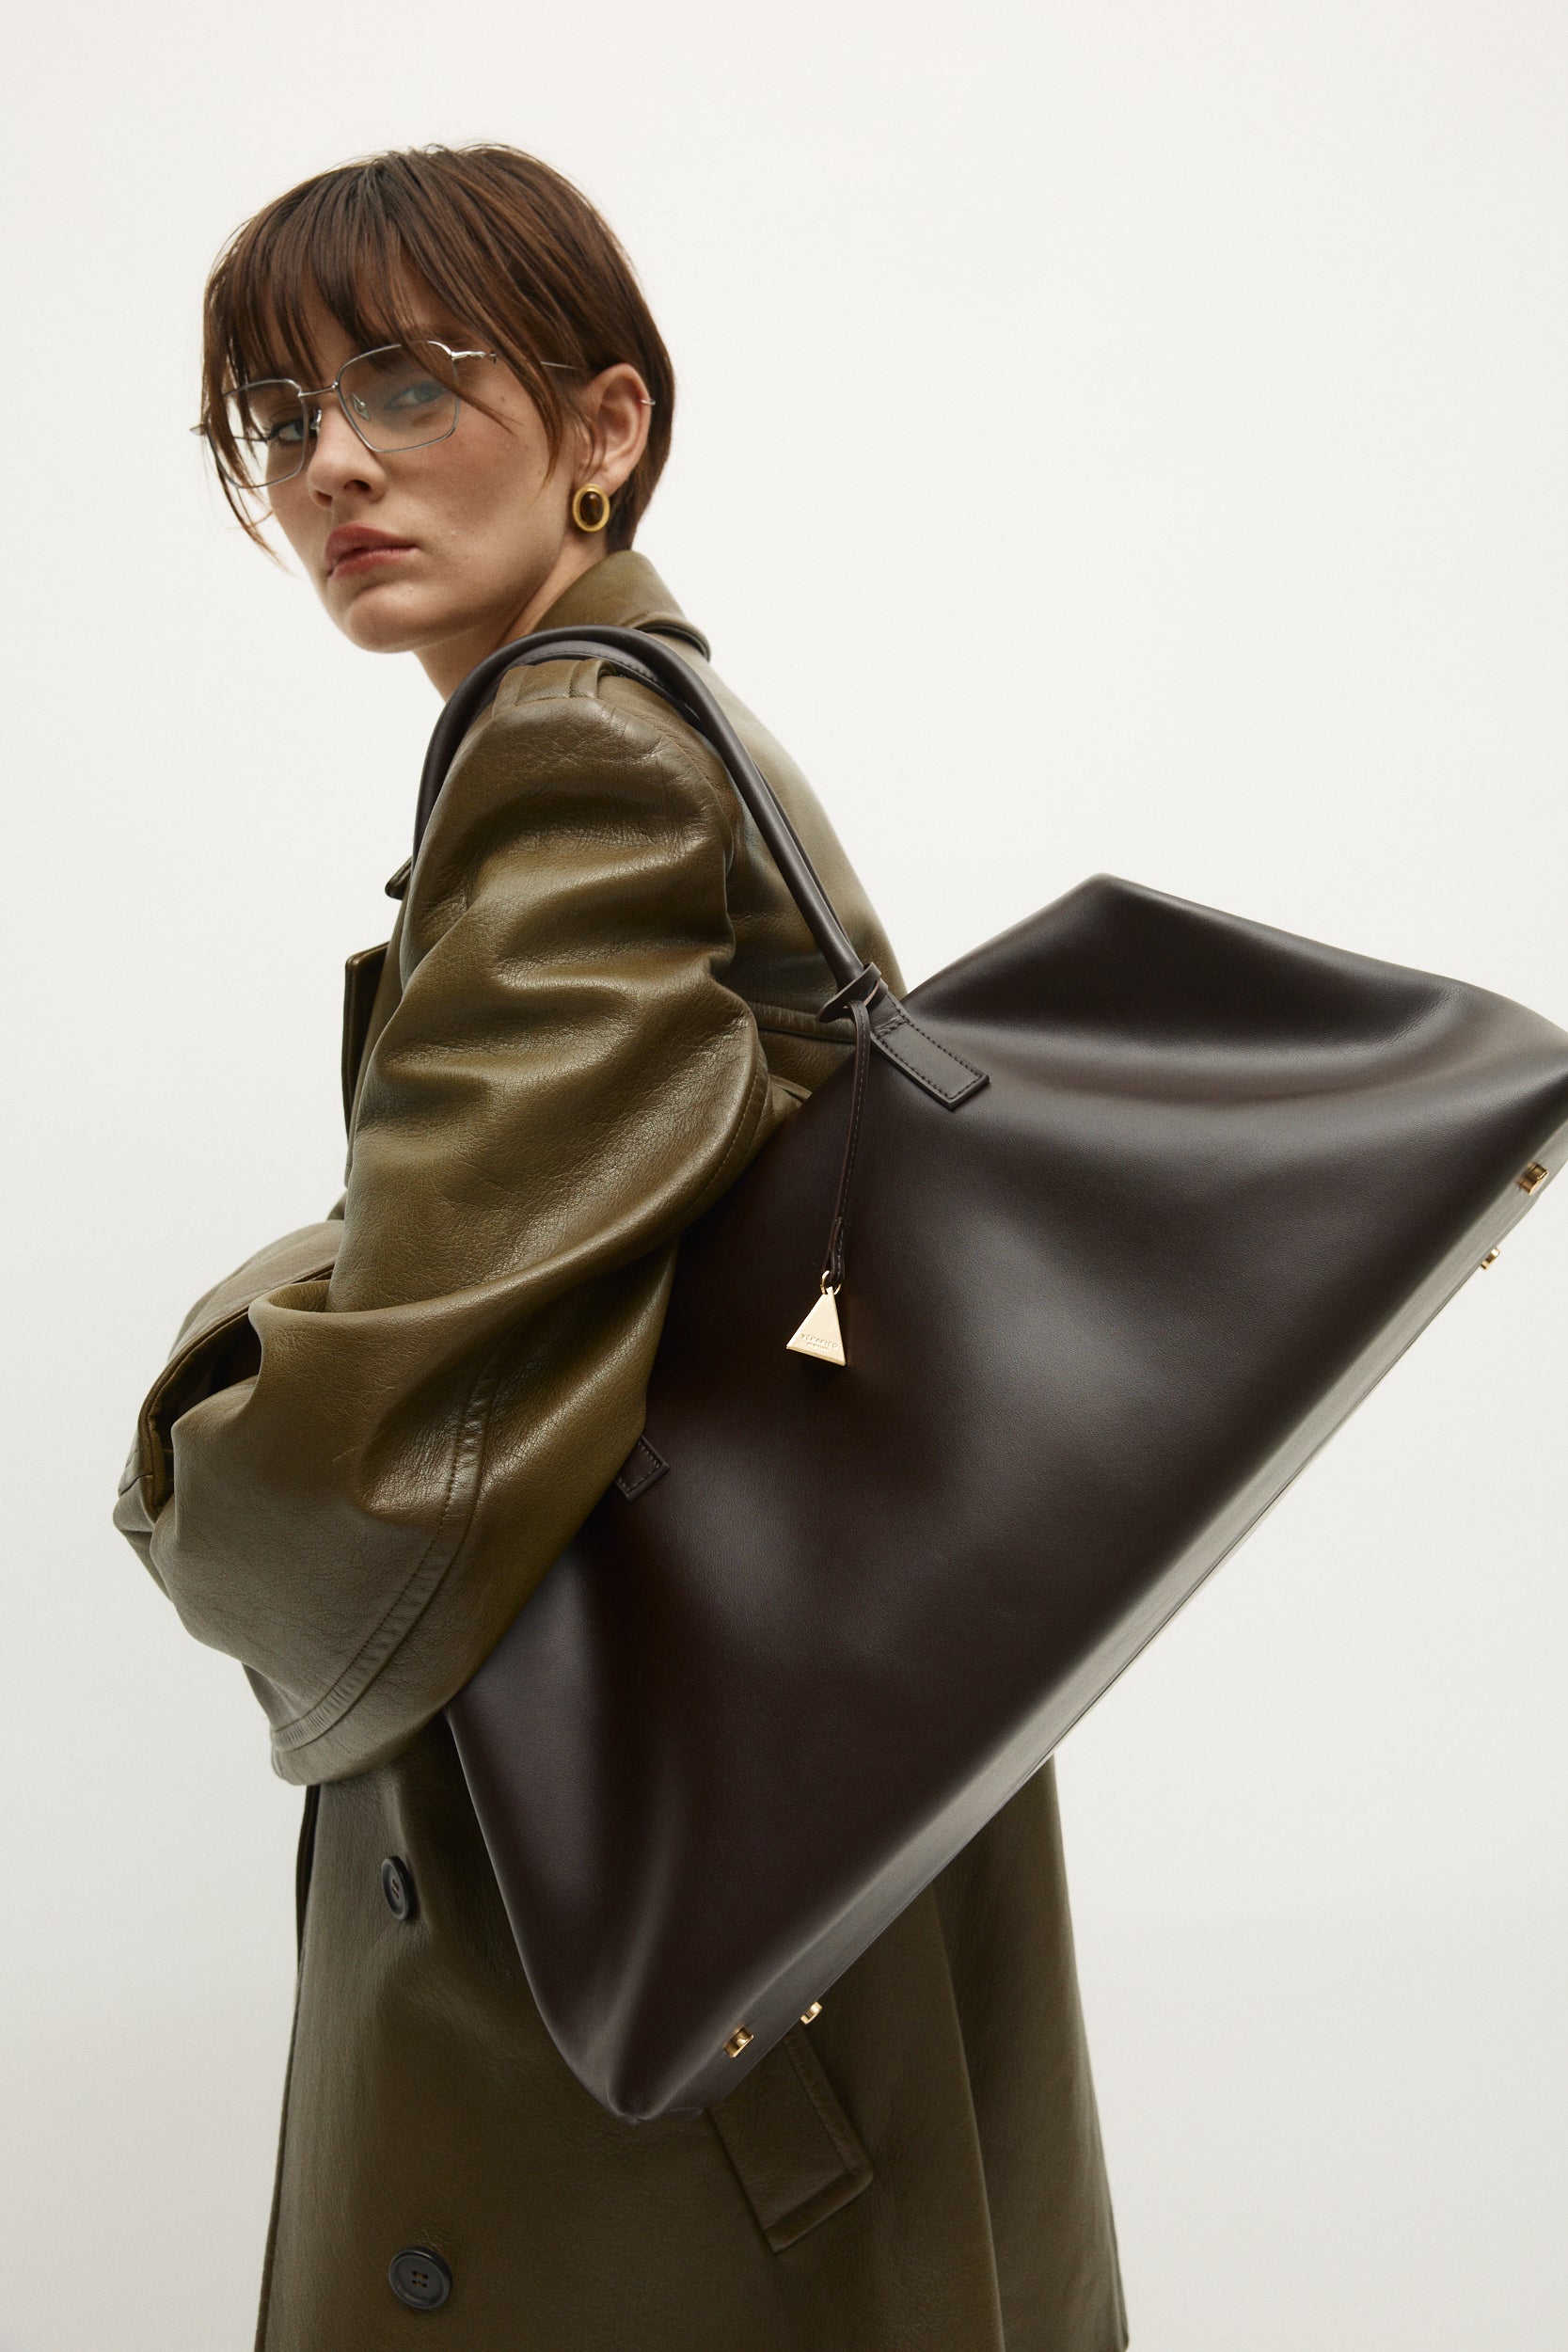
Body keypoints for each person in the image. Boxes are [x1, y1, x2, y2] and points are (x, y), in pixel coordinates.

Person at [113, 142, 1129, 2351]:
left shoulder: (578, 747)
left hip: (642, 1915)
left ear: (603, 428)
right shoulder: (631, 726)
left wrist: (191, 1422)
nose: (332, 465)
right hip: (760, 1842)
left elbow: (378, 1448)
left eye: (403, 381)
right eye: (275, 418)